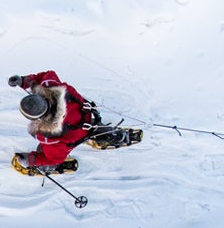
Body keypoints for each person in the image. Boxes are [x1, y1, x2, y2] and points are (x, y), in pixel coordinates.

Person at [8, 70, 141, 175]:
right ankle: (106, 134)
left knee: (46, 153)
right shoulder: (53, 85)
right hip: (87, 114)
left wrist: (32, 160)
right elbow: (47, 74)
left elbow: (56, 158)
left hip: (80, 132)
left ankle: (96, 137)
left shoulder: (50, 137)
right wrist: (25, 81)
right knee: (86, 128)